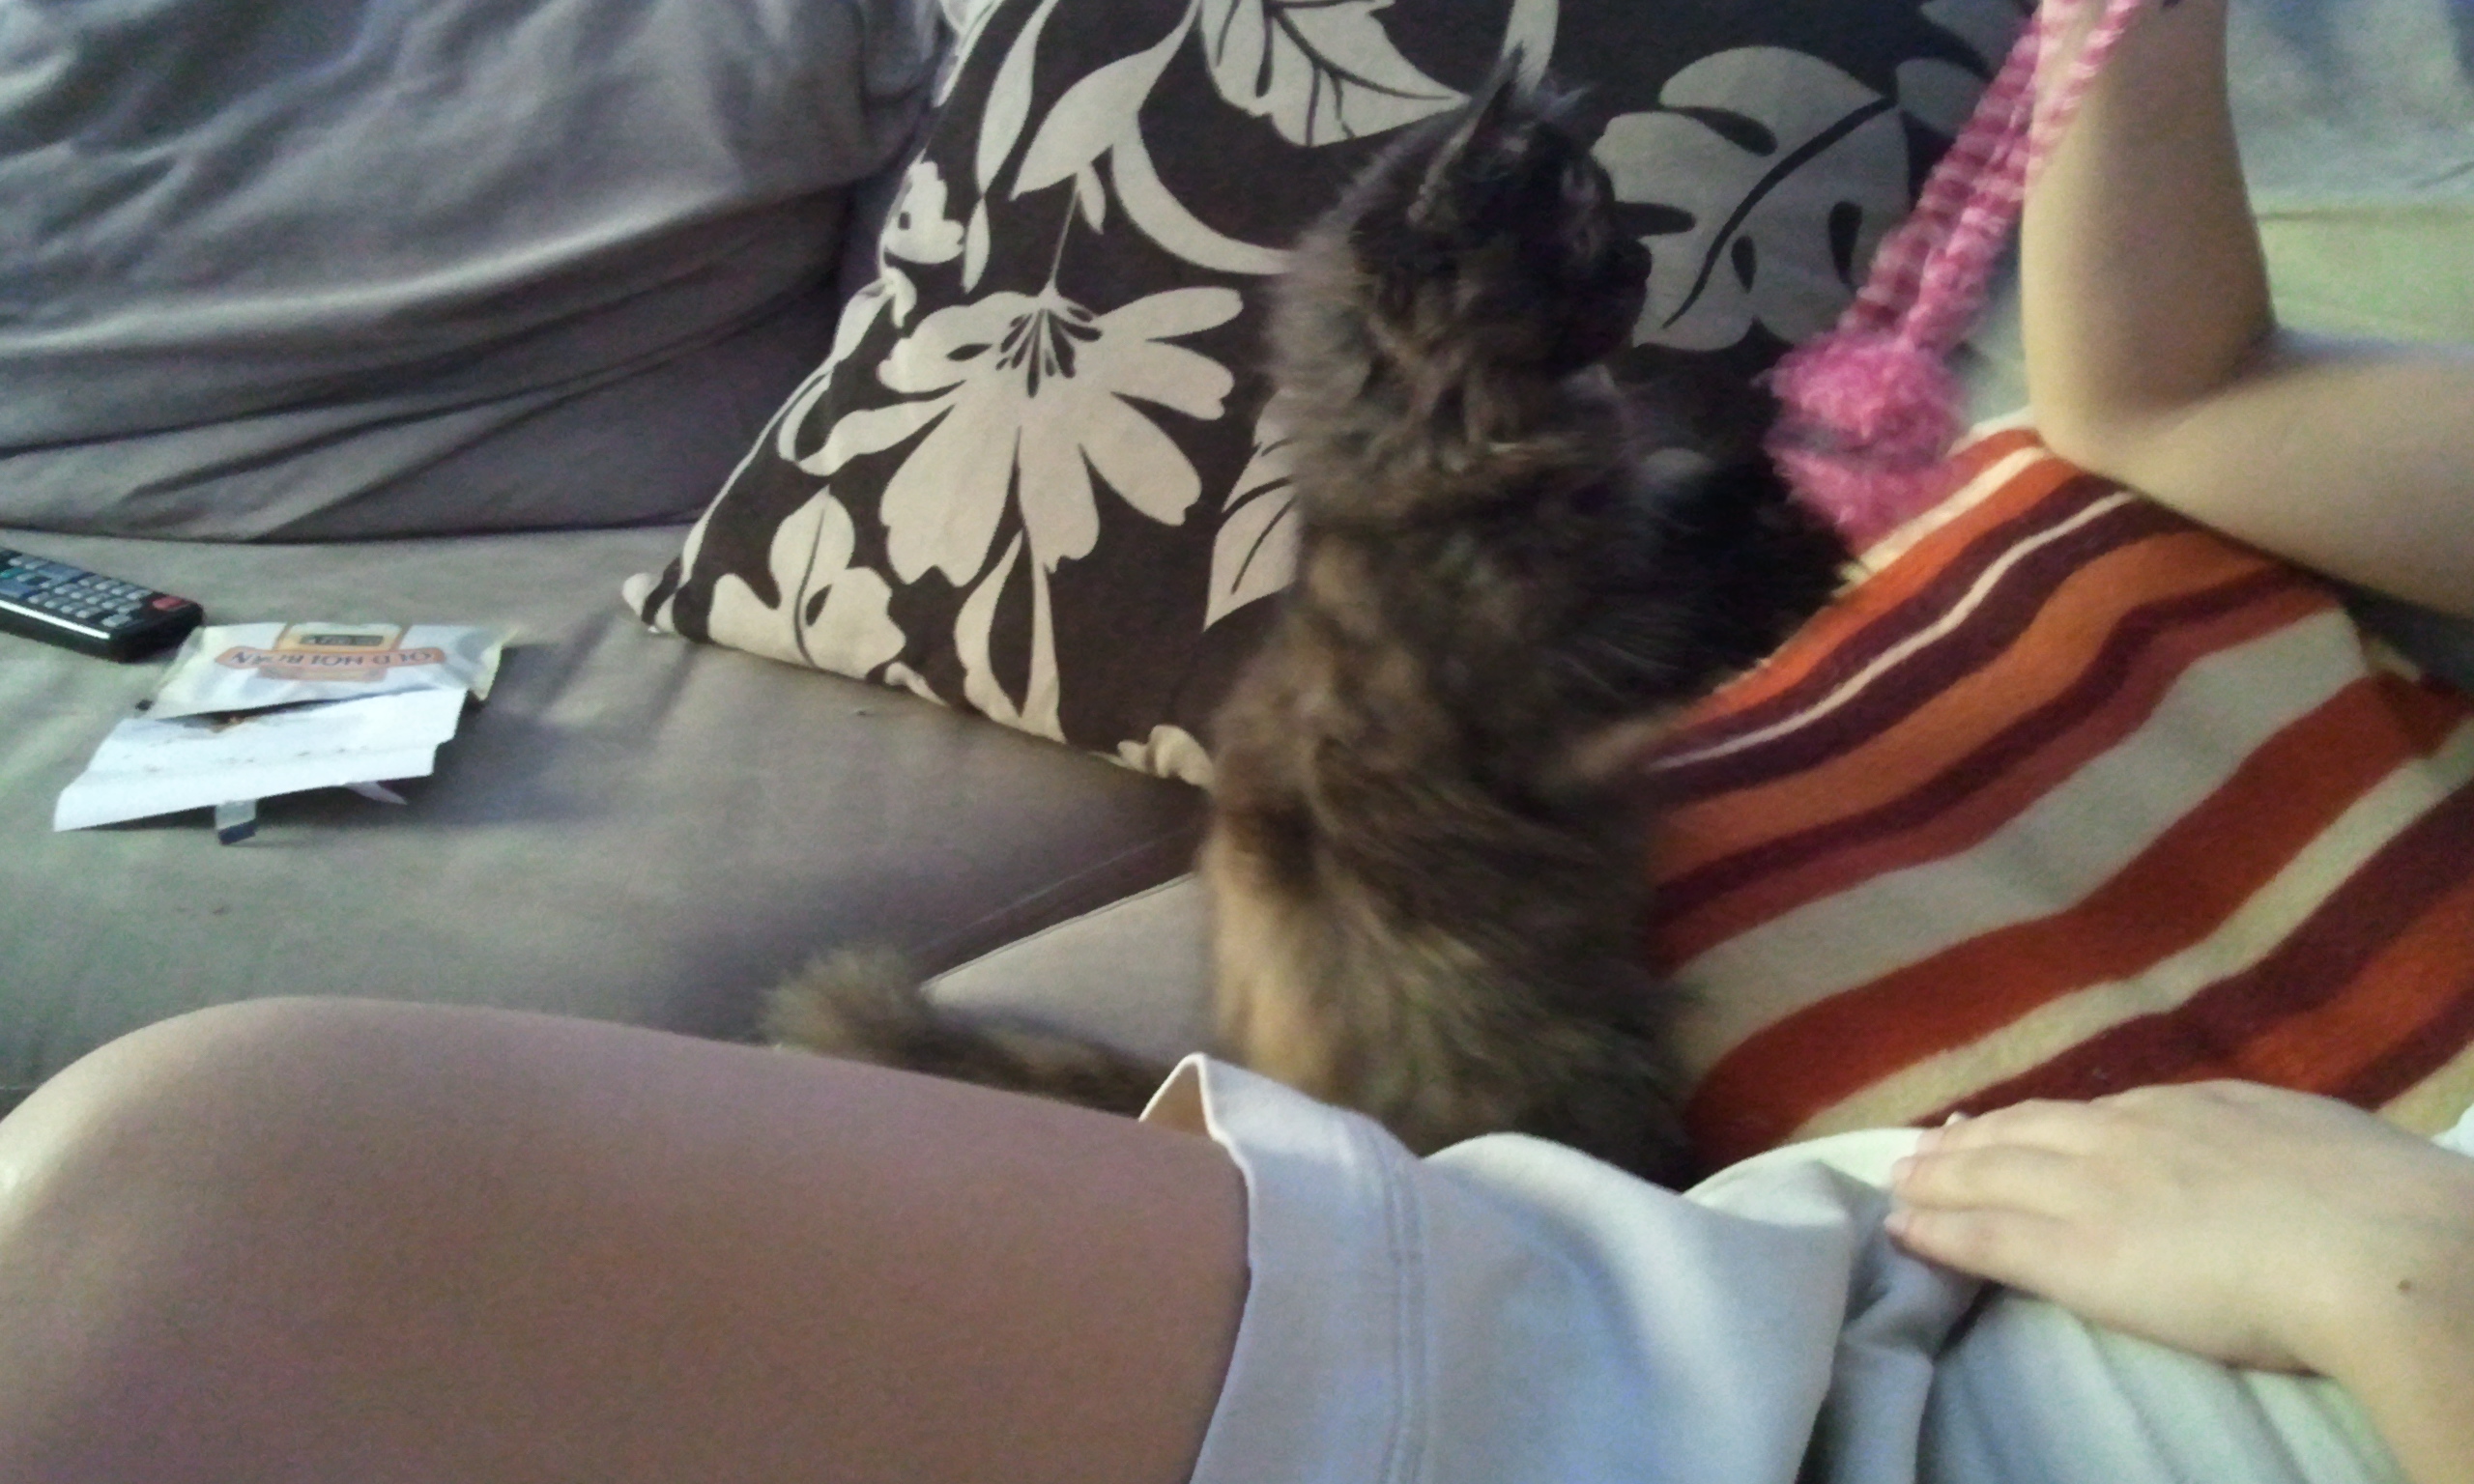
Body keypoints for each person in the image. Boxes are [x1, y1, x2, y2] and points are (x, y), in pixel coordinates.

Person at [1, 3, 2468, 1483]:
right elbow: (2170, 397)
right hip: (1850, 1321)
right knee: (208, 1179)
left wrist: (2404, 1283)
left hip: (1999, 1352)